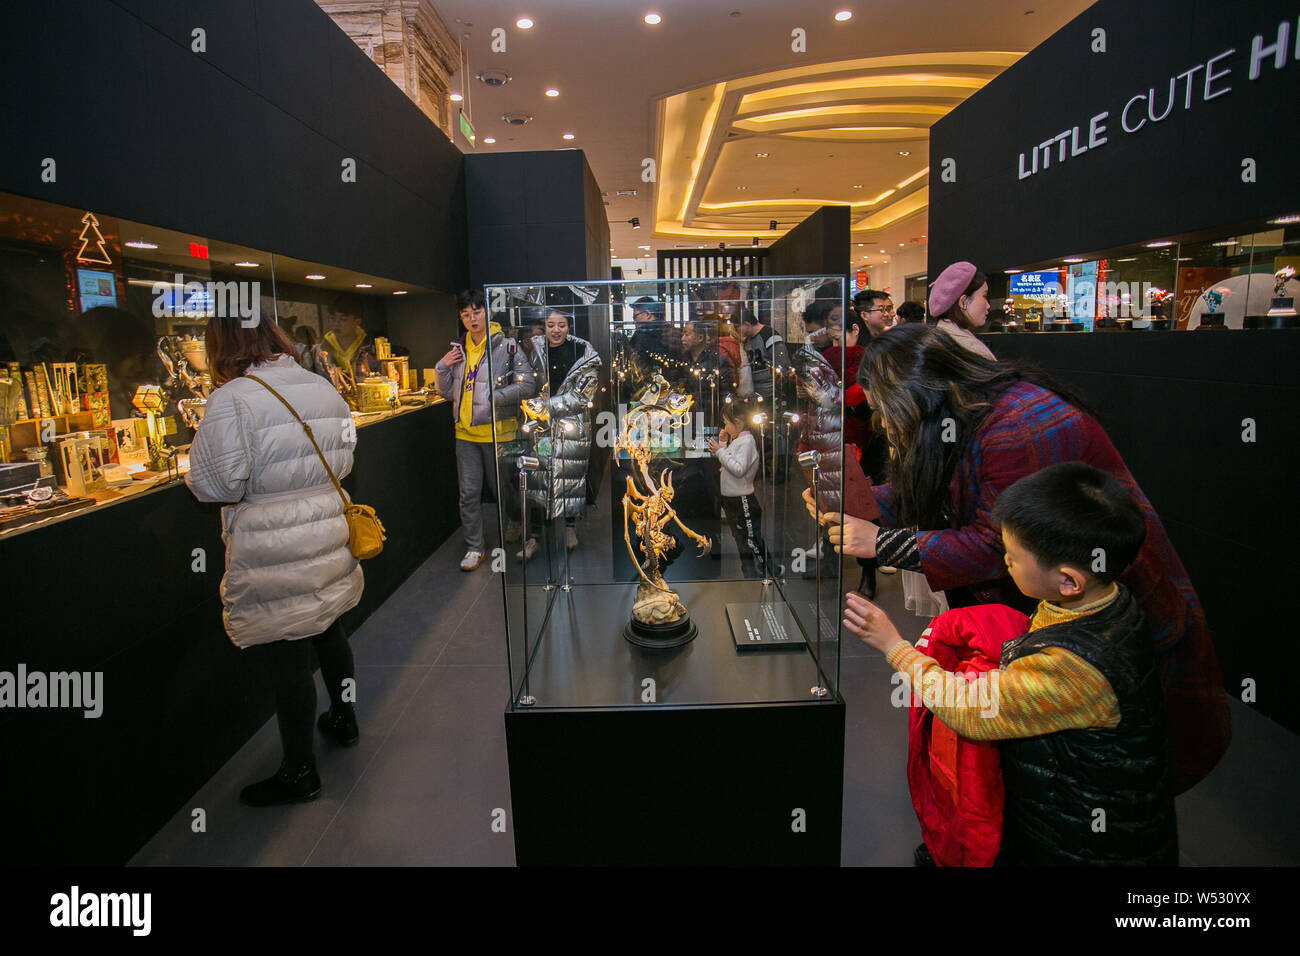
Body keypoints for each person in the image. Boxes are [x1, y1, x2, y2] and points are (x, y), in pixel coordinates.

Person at [810, 322, 1231, 792]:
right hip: (1054, 608)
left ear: (918, 395)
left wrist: (881, 544)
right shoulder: (970, 412)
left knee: (1091, 764)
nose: (883, 426)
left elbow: (994, 546)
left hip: (1100, 613)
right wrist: (852, 500)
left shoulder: (1017, 426)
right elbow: (931, 492)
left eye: (886, 412)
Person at [844, 463, 1177, 866]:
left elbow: (969, 708)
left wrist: (892, 644)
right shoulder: (1105, 601)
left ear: (1069, 581)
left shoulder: (1078, 668)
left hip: (1080, 844)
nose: (1005, 561)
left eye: (1014, 557)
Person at [185, 315, 363, 806]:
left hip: (274, 543)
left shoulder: (232, 400)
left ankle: (299, 771)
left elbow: (217, 485)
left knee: (288, 651)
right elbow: (346, 454)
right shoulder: (318, 386)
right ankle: (345, 720)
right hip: (326, 526)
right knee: (329, 627)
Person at [436, 290, 538, 571]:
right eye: (466, 314)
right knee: (468, 493)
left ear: (487, 313)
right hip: (465, 435)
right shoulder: (458, 349)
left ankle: (526, 533)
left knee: (507, 492)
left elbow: (528, 384)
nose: (472, 319)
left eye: (477, 312)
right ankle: (474, 547)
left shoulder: (507, 347)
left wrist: (497, 396)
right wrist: (442, 368)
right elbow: (448, 393)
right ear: (461, 317)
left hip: (499, 434)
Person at [519, 309, 601, 558]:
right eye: (551, 324)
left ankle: (569, 528)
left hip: (571, 424)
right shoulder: (534, 351)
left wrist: (546, 407)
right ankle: (533, 538)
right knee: (536, 480)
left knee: (569, 478)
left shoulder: (584, 355)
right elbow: (523, 383)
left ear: (569, 326)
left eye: (562, 325)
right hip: (538, 425)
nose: (556, 330)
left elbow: (581, 395)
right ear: (544, 326)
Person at [706, 402, 766, 578]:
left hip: (743, 500)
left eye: (727, 422)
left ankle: (765, 570)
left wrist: (719, 451)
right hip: (733, 500)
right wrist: (723, 445)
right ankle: (750, 570)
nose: (725, 426)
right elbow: (729, 462)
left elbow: (738, 469)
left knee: (750, 538)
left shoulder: (746, 442)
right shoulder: (739, 441)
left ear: (738, 422)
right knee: (741, 538)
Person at [928, 261, 995, 359]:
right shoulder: (972, 350)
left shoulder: (937, 337)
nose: (988, 305)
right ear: (963, 302)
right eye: (984, 296)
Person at [322, 310, 381, 377]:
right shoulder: (326, 344)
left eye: (343, 319)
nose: (336, 323)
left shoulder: (363, 342)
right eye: (332, 318)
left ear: (357, 322)